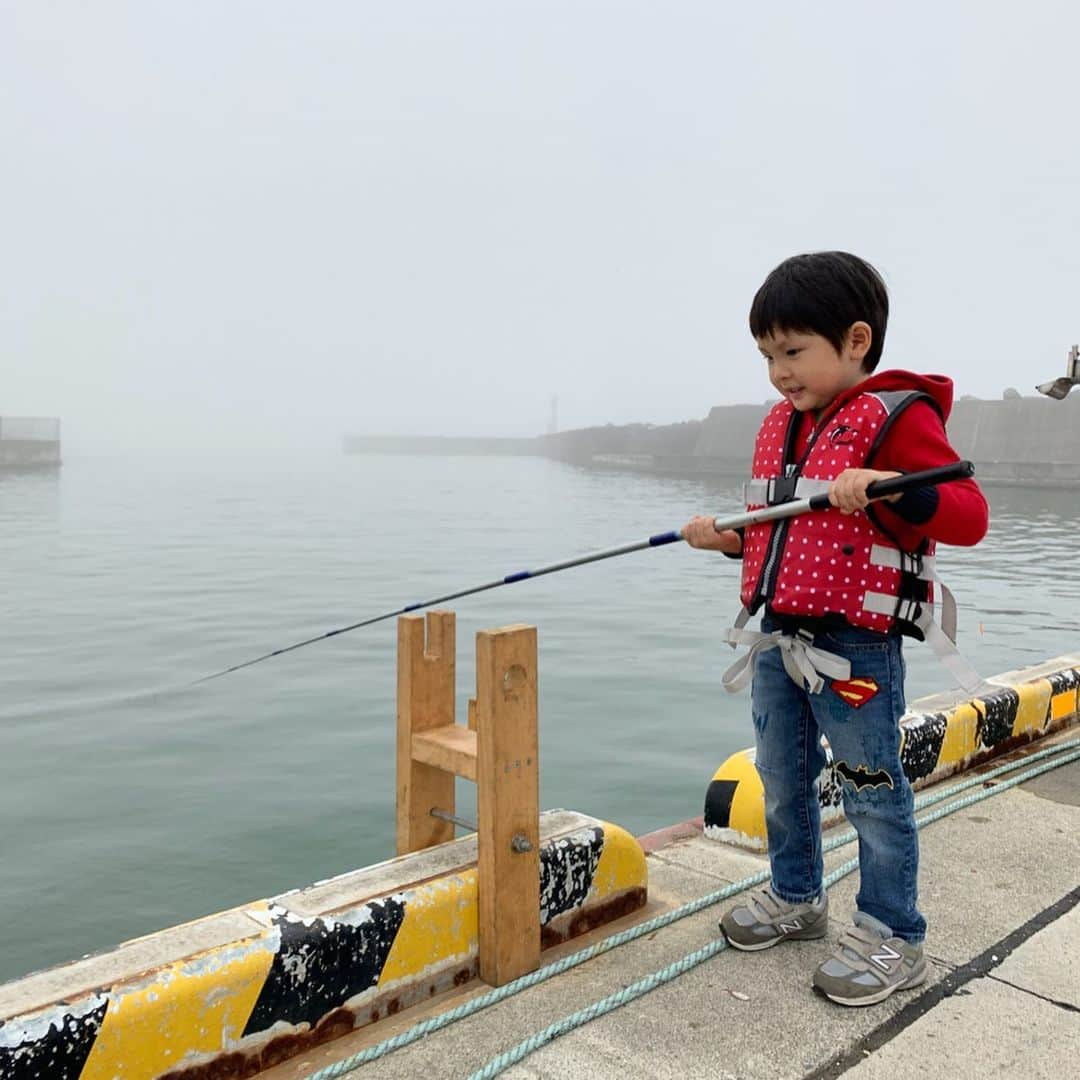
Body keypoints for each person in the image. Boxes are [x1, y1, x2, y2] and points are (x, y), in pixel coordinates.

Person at [683, 251, 988, 1006]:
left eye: (793, 351)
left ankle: (893, 934)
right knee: (781, 778)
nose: (779, 372)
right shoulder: (787, 426)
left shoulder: (896, 420)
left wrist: (890, 489)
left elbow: (969, 517)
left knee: (872, 790)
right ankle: (797, 898)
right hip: (775, 639)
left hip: (854, 649)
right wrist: (728, 537)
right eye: (767, 356)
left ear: (855, 340)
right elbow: (782, 536)